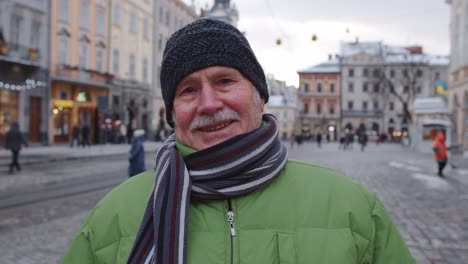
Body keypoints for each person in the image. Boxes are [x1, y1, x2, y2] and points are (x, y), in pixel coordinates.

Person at [62, 19, 414, 264]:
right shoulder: (114, 214)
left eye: (225, 80)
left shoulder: (352, 207)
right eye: (188, 90)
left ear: (260, 96)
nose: (210, 103)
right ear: (172, 113)